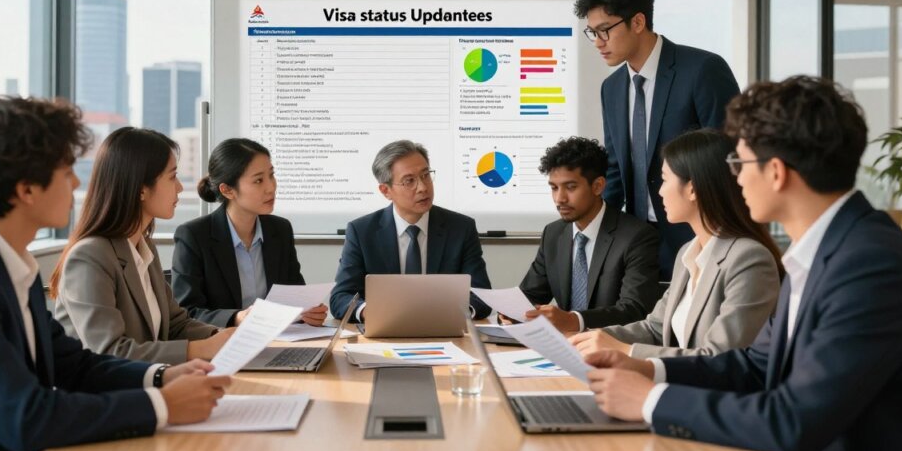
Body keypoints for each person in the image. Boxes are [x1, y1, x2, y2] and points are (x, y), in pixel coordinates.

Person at [584, 76, 902, 451]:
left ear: (776, 171)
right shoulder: (822, 251)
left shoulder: (870, 266)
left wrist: (650, 401)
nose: (733, 177)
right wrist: (647, 371)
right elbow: (754, 366)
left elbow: (793, 421)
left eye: (739, 162)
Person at [0, 97, 229, 451]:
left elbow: (75, 365)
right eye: (66, 171)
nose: (77, 181)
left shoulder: (10, 265)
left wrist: (161, 377)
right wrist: (162, 405)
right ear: (27, 189)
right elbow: (27, 417)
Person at [576, 0, 740, 280]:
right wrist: (597, 234)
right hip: (637, 244)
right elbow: (613, 170)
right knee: (640, 327)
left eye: (605, 31)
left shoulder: (703, 70)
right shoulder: (611, 88)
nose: (598, 43)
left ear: (637, 22)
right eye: (592, 33)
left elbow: (729, 158)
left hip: (699, 238)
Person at [569, 129, 781, 358]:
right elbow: (654, 328)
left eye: (665, 179)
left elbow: (720, 357)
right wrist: (584, 339)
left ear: (692, 189)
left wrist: (625, 351)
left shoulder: (748, 259)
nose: (659, 191)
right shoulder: (688, 254)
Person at [51, 128, 234, 364]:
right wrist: (200, 350)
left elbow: (175, 324)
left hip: (145, 386)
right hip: (103, 396)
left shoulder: (142, 246)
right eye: (172, 176)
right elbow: (109, 352)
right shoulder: (90, 255)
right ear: (141, 188)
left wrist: (224, 337)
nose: (179, 187)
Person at [329, 140, 492, 321]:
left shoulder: (461, 228)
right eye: (409, 181)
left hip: (446, 331)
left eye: (425, 176)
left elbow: (482, 295)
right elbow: (340, 298)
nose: (422, 187)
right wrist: (371, 311)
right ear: (386, 190)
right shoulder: (361, 232)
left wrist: (455, 313)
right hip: (384, 334)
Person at [171, 138, 327, 327]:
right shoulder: (194, 236)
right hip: (221, 345)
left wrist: (308, 312)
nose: (271, 187)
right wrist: (237, 317)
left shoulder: (280, 230)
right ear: (228, 190)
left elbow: (294, 297)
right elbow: (187, 312)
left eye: (272, 175)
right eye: (258, 180)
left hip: (278, 340)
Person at [512, 136, 661, 332]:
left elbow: (635, 310)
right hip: (562, 347)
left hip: (612, 348)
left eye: (571, 187)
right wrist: (512, 312)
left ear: (598, 186)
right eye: (554, 188)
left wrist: (573, 320)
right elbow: (530, 296)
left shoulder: (637, 237)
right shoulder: (553, 233)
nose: (560, 199)